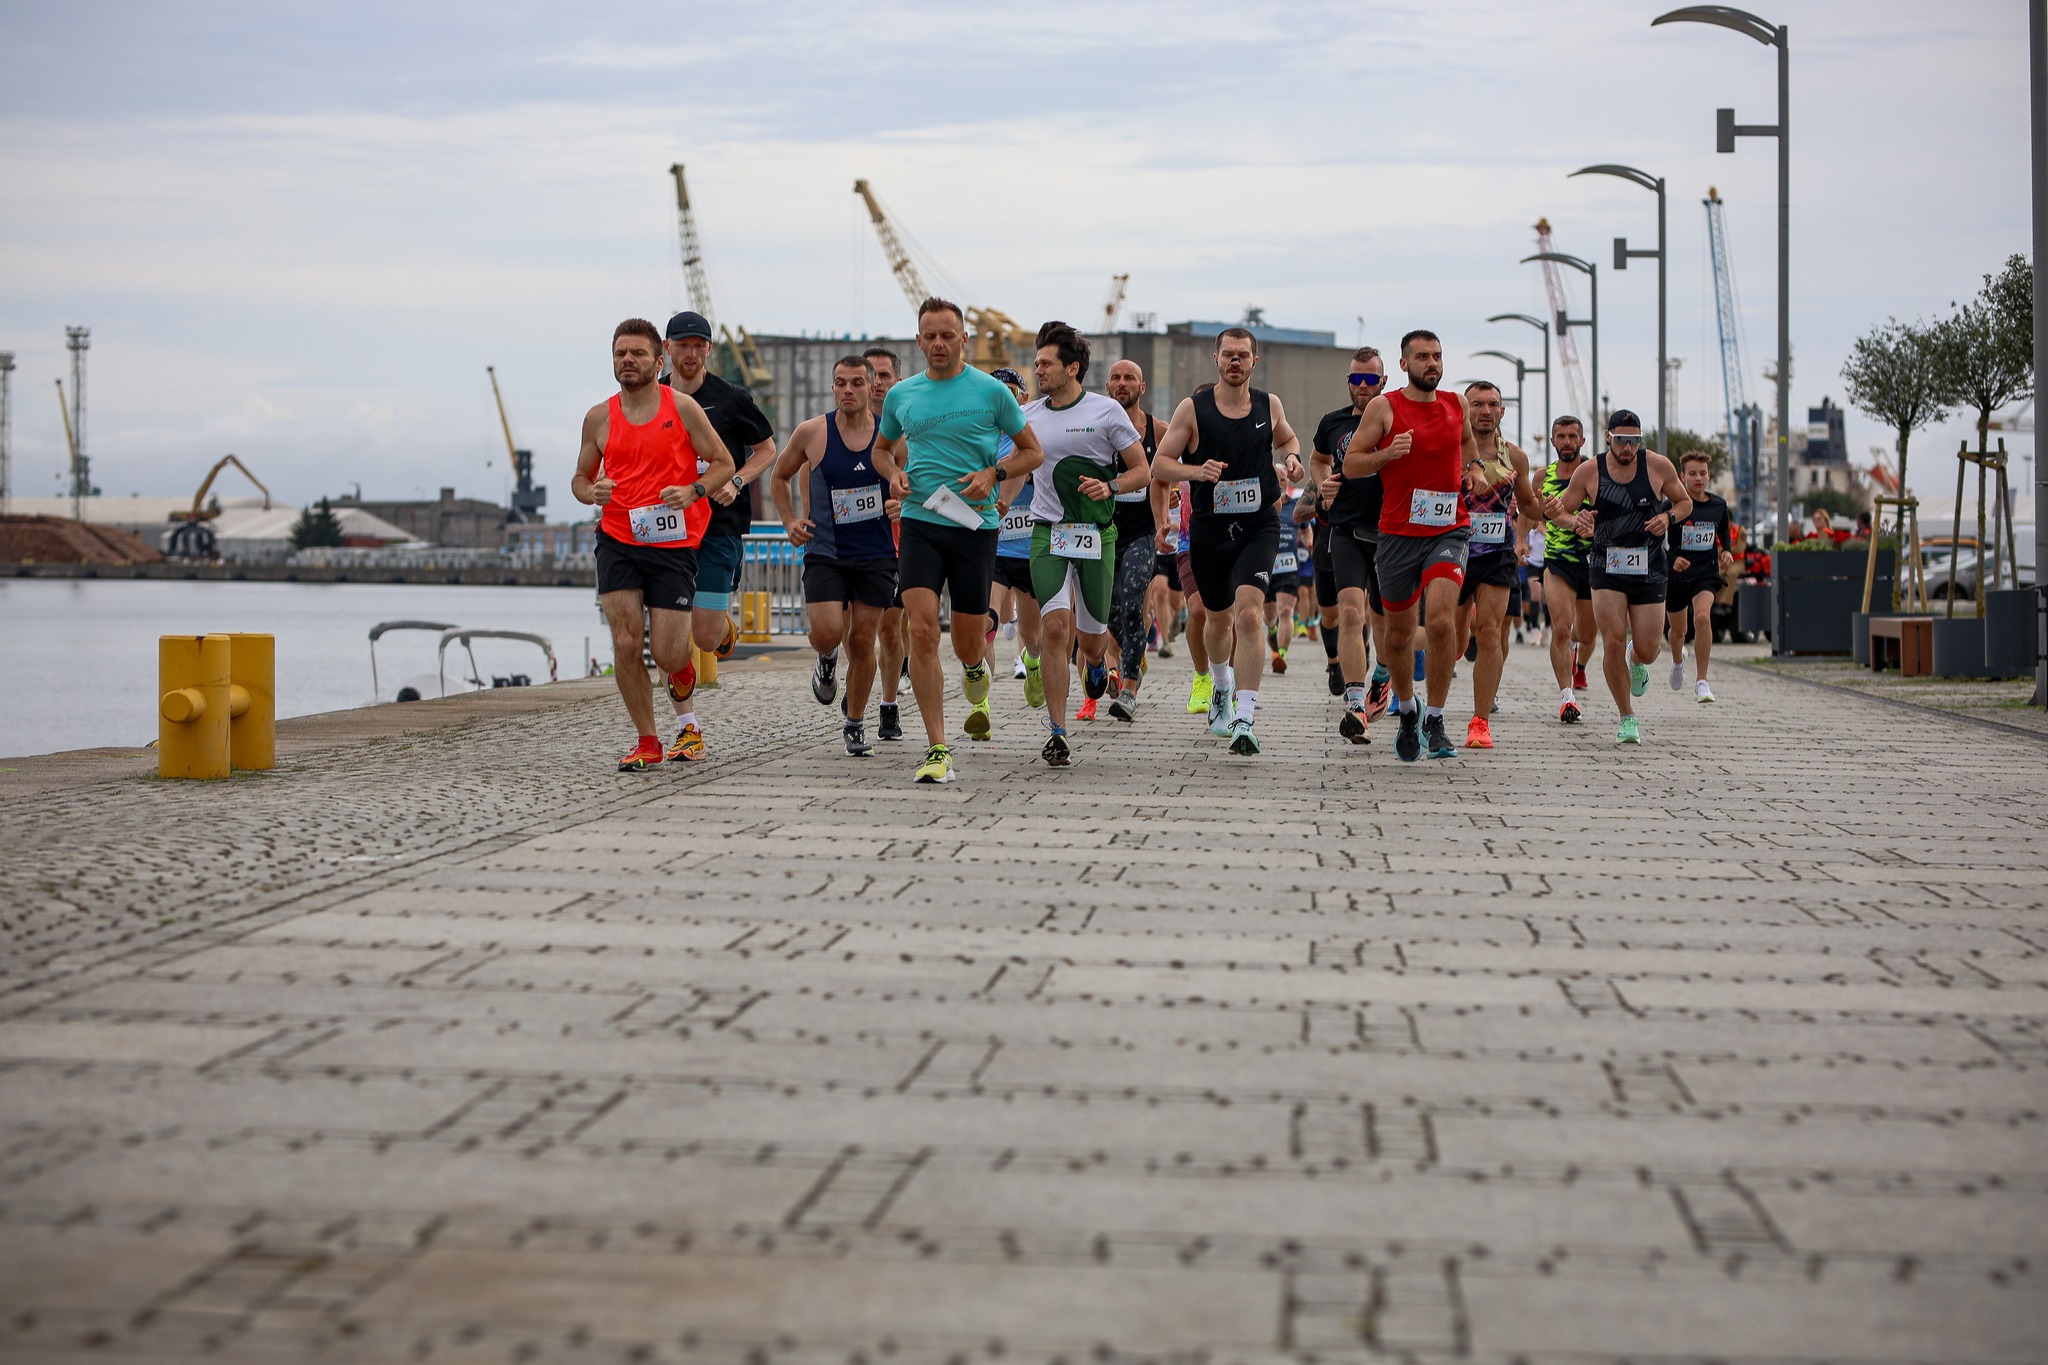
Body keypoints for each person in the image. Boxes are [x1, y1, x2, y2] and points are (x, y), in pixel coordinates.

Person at [872, 298, 1044, 783]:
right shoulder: (902, 395)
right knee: (923, 630)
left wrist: (994, 473)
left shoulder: (992, 392)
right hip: (921, 521)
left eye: (948, 335)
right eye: (929, 336)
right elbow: (883, 451)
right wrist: (894, 475)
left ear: (964, 339)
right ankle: (937, 749)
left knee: (969, 644)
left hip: (975, 527)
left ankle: (973, 669)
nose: (938, 344)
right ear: (919, 339)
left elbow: (1033, 452)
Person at [573, 319, 735, 770]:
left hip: (672, 542)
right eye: (621, 353)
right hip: (618, 540)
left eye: (638, 353)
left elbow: (723, 462)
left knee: (669, 652)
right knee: (626, 644)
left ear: (658, 361)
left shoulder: (682, 408)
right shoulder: (598, 417)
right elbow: (580, 479)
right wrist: (591, 493)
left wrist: (695, 491)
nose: (628, 360)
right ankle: (648, 740)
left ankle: (681, 671)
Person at [1152, 330, 1305, 756]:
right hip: (1210, 531)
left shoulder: (1268, 404)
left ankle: (1245, 716)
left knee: (1251, 616)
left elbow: (1288, 438)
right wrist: (1196, 472)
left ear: (1254, 360)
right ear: (1215, 358)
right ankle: (1221, 684)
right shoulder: (1193, 408)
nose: (1234, 362)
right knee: (1217, 621)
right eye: (1228, 355)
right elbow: (1160, 464)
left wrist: (1292, 458)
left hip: (1259, 525)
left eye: (1243, 355)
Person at [1344, 330, 1483, 762]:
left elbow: (1465, 443)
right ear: (1404, 365)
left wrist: (1474, 467)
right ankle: (1407, 711)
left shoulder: (1455, 404)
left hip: (1449, 529)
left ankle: (1436, 718)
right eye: (1423, 356)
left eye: (1438, 356)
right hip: (1399, 535)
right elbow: (1351, 464)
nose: (1433, 363)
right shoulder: (1386, 407)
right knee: (1400, 636)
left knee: (1442, 622)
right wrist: (1387, 454)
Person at [1016, 322, 1147, 764]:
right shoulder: (1029, 415)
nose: (1039, 370)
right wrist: (996, 502)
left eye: (1046, 363)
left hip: (1095, 536)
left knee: (1092, 643)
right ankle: (1057, 731)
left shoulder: (1107, 411)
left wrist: (1110, 487)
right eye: (1037, 363)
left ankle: (1095, 666)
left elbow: (1142, 471)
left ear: (1072, 368)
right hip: (1048, 532)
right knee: (1054, 628)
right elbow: (1018, 468)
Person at [659, 311, 778, 759]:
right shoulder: (652, 397)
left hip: (718, 525)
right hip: (666, 529)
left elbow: (767, 449)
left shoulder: (731, 398)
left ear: (709, 349)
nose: (690, 353)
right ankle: (688, 727)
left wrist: (737, 481)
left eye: (698, 345)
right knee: (671, 639)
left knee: (704, 637)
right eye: (682, 344)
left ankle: (722, 624)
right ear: (667, 349)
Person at [769, 354, 899, 756]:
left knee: (862, 642)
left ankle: (855, 722)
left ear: (872, 386)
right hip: (825, 551)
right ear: (832, 388)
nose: (848, 390)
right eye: (840, 383)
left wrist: (902, 505)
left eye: (857, 383)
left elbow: (913, 482)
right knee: (828, 632)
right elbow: (778, 475)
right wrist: (790, 519)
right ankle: (826, 658)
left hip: (876, 554)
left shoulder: (891, 436)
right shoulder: (813, 432)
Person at [1543, 409, 1692, 745]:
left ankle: (1636, 658)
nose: (1628, 448)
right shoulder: (1589, 471)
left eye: (1634, 441)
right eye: (1622, 440)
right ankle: (1627, 717)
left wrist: (1668, 518)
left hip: (1650, 565)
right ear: (1608, 436)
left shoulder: (1658, 466)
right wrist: (1574, 522)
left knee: (1649, 648)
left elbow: (1684, 503)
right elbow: (1563, 511)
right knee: (1610, 638)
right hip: (1606, 565)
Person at [1453, 381, 1539, 749]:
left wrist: (1549, 511)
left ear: (1502, 412)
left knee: (1490, 633)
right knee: (1452, 640)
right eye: (1477, 404)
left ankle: (1480, 721)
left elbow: (1529, 504)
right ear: (1464, 411)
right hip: (1453, 552)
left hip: (1497, 555)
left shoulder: (1515, 458)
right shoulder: (1450, 452)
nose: (1485, 411)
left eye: (1493, 405)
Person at [1313, 348, 1394, 743]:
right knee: (1350, 612)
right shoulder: (1333, 422)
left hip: (1390, 532)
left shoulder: (1396, 419)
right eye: (1356, 379)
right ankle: (1356, 702)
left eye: (1370, 379)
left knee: (1384, 622)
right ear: (1348, 382)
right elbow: (1318, 458)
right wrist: (1324, 482)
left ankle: (1383, 674)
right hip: (1345, 529)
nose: (1362, 387)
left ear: (1383, 381)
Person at [1103, 358, 1170, 722]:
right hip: (1101, 534)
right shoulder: (1096, 428)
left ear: (1142, 388)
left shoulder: (1158, 431)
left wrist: (1165, 512)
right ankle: (1131, 653)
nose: (1122, 382)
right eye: (1116, 377)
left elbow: (1166, 475)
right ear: (1107, 386)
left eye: (1130, 377)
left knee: (1132, 603)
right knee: (1108, 613)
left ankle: (1129, 686)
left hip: (1141, 534)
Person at [986, 368, 1044, 704]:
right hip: (992, 545)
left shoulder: (1033, 435)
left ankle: (1033, 663)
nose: (1005, 395)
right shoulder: (977, 434)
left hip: (1030, 547)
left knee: (1031, 635)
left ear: (1023, 397)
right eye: (998, 389)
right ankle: (981, 703)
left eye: (1012, 390)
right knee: (985, 622)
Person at [1536, 417, 1599, 723]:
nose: (1567, 441)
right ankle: (1567, 697)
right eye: (1561, 436)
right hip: (1558, 560)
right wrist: (1522, 539)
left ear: (1582, 441)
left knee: (1586, 634)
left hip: (1593, 563)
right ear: (1552, 441)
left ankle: (1577, 659)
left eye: (1573, 436)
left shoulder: (1596, 475)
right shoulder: (1543, 476)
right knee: (1561, 628)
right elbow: (1530, 509)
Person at [863, 346, 910, 743]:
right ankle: (852, 676)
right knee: (853, 630)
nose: (877, 384)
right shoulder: (837, 428)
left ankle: (889, 706)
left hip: (894, 544)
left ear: (897, 382)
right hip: (845, 546)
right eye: (871, 376)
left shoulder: (907, 433)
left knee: (890, 627)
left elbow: (924, 480)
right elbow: (811, 471)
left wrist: (904, 503)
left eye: (884, 377)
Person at [1665, 450, 1734, 702]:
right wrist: (1672, 560)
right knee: (1677, 632)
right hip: (1677, 576)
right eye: (1692, 473)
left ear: (1709, 475)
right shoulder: (1670, 506)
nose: (1698, 478)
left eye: (1702, 473)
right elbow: (1657, 540)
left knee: (1703, 617)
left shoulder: (1718, 505)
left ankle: (1702, 681)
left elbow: (1724, 530)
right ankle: (1677, 661)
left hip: (1705, 573)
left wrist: (1726, 550)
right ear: (1681, 476)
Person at [1266, 485, 1306, 673]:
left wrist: (1309, 540)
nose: (1280, 482)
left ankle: (1281, 653)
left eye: (1283, 478)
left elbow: (1306, 528)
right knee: (1269, 615)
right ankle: (1273, 630)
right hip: (1265, 564)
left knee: (1286, 610)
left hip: (1288, 566)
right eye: (1277, 478)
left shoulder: (1295, 506)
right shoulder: (1264, 503)